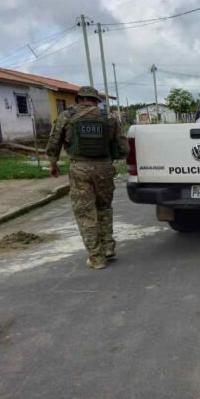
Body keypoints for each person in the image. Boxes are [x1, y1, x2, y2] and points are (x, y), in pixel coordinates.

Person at [46, 86, 128, 269]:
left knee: (85, 213)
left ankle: (96, 258)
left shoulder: (66, 116)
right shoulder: (109, 118)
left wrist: (53, 164)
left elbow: (54, 142)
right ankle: (107, 248)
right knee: (104, 208)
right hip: (105, 169)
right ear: (96, 101)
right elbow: (123, 147)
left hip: (80, 169)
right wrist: (112, 159)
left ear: (79, 99)